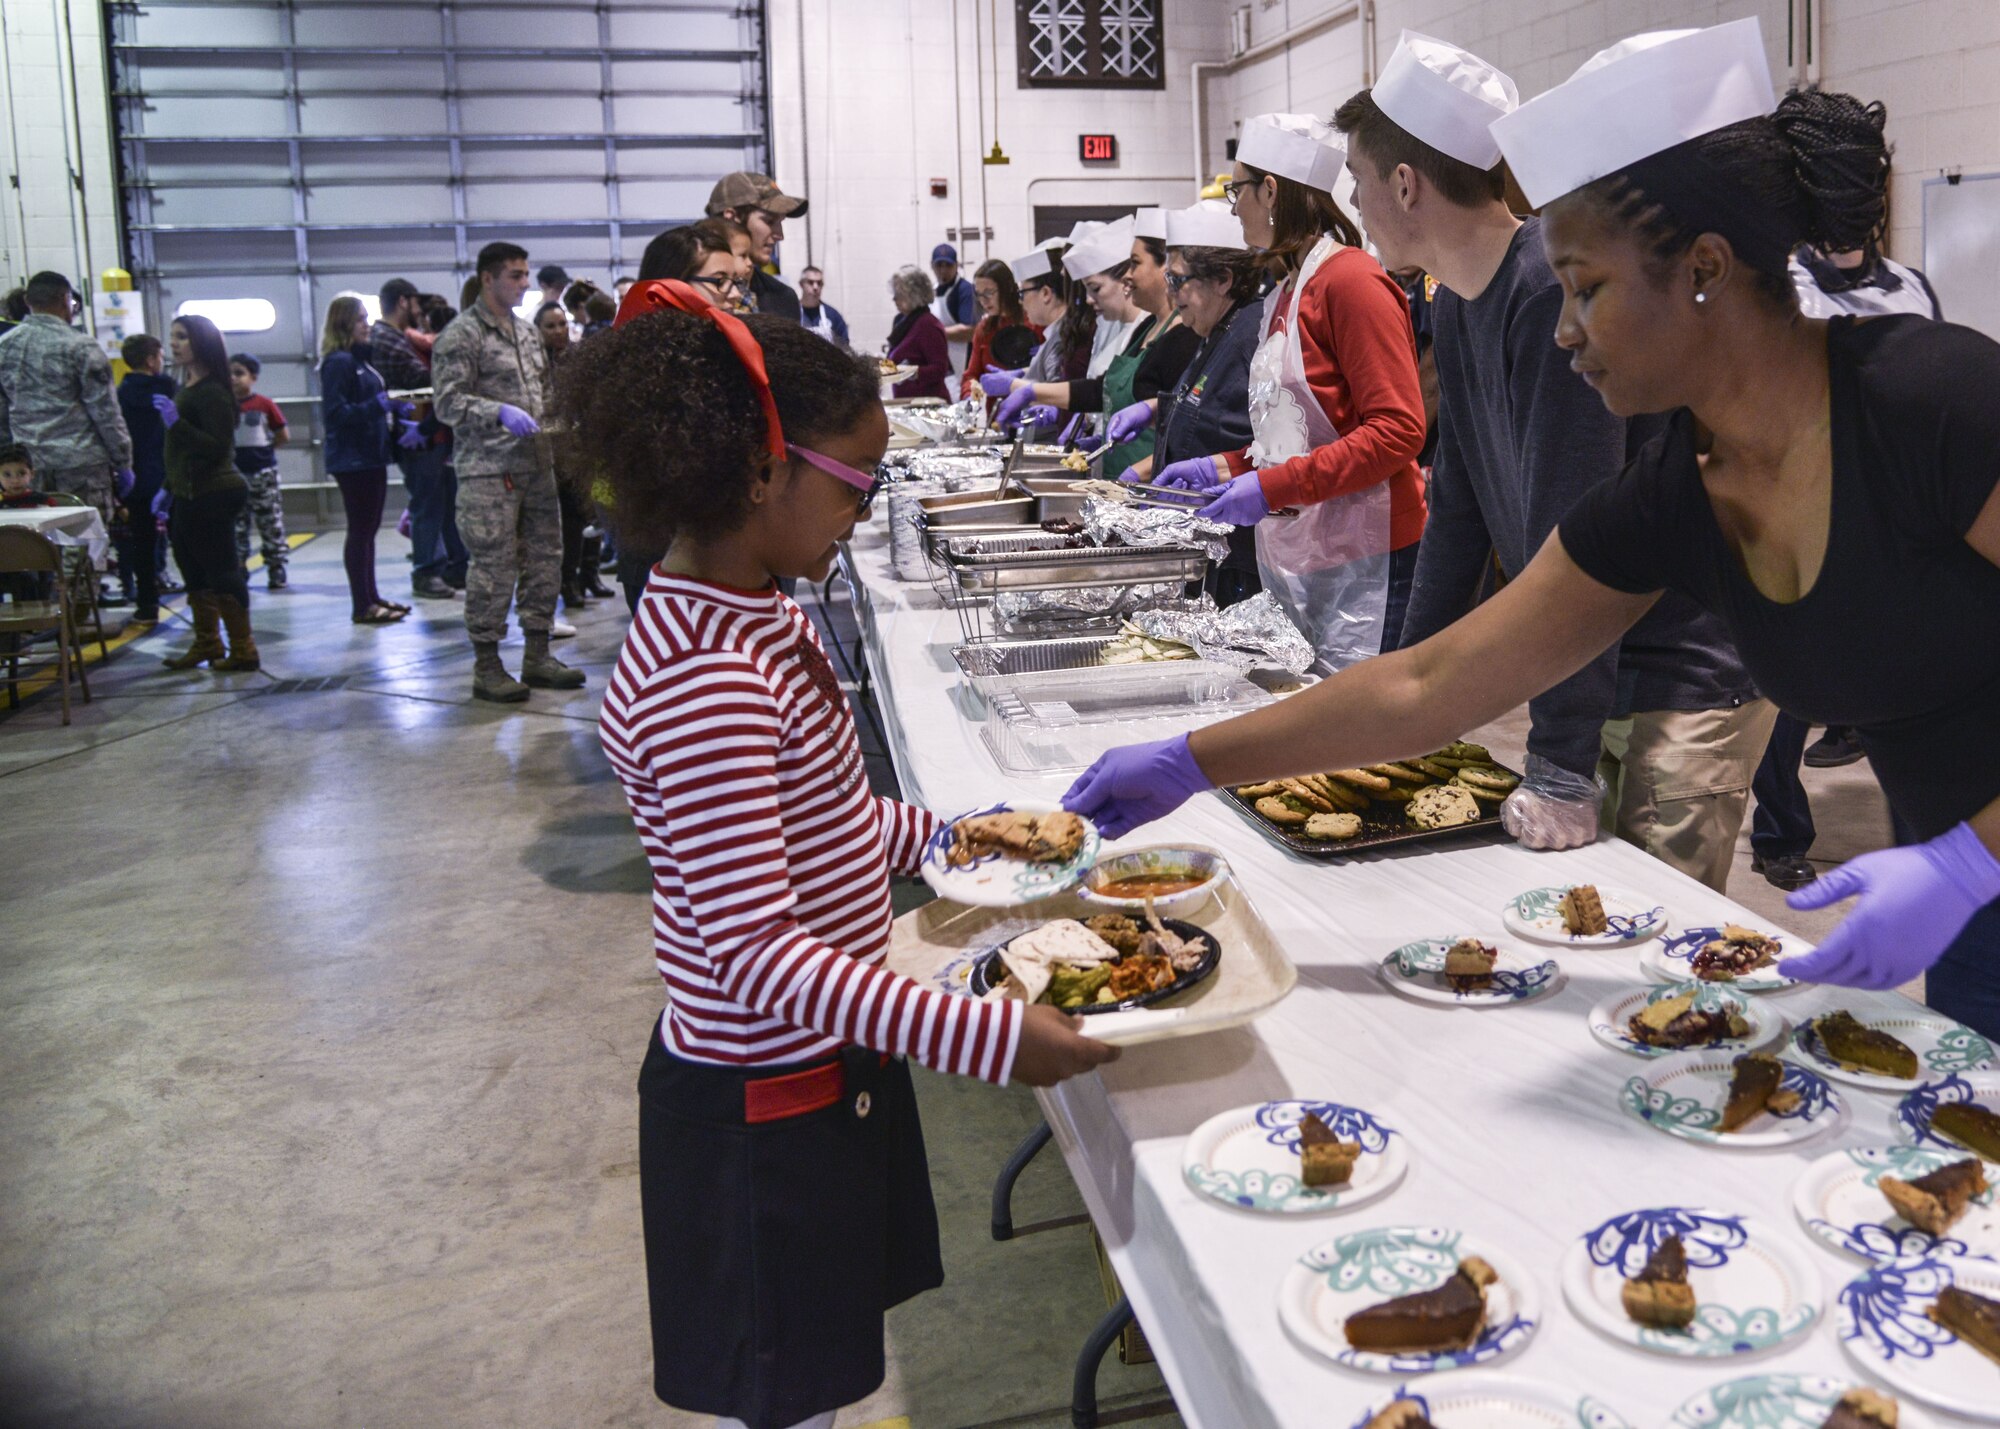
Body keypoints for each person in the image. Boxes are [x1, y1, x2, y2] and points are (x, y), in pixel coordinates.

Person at [1064, 23, 2000, 1039]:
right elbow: (1433, 683)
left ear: (1703, 268)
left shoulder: (1924, 401)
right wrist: (1190, 761)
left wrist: (1968, 858)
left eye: (1585, 289)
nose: (1560, 330)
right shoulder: (1675, 494)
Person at [553, 277, 1117, 1429]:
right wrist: (991, 1035)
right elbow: (758, 953)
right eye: (855, 486)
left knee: (820, 1378)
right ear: (758, 472)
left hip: (814, 1073)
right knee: (789, 1392)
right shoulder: (712, 679)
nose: (863, 511)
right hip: (765, 1103)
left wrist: (959, 832)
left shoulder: (739, 606)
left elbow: (817, 815)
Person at [1332, 31, 1771, 890]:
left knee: (1652, 933)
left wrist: (1560, 759)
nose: (1353, 203)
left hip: (1680, 661)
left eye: (1356, 180)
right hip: (1593, 657)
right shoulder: (1460, 300)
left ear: (1407, 182)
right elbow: (1457, 502)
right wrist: (1406, 694)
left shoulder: (1546, 291)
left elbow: (1578, 528)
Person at [1155, 114, 1429, 670]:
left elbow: (1398, 431)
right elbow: (1293, 433)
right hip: (1302, 551)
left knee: (1362, 739)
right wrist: (1225, 467)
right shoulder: (1286, 291)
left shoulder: (1350, 281)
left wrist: (1273, 487)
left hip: (1369, 555)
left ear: (1272, 190)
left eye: (1238, 190)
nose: (1234, 207)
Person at [1748, 158, 1949, 889]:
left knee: (1912, 699)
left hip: (1903, 521)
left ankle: (1920, 841)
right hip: (1806, 513)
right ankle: (1778, 833)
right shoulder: (1781, 285)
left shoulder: (1909, 284)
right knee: (1784, 698)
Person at [431, 241, 584, 701]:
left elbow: (542, 389)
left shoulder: (526, 332)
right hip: (489, 470)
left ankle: (537, 656)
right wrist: (496, 411)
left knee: (544, 560)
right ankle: (488, 665)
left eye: (525, 275)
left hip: (537, 464)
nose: (524, 283)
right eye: (515, 276)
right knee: (494, 568)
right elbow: (446, 401)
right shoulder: (462, 335)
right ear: (488, 279)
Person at [997, 216, 1201, 479]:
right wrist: (1032, 392)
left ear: (1166, 267)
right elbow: (1099, 388)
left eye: (1135, 264)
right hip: (1121, 476)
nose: (1128, 275)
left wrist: (1140, 471)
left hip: (1152, 485)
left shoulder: (1182, 334)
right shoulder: (1147, 327)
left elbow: (1188, 427)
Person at [1146, 203, 1267, 605]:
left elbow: (1267, 446)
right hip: (1211, 548)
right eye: (1168, 278)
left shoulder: (1251, 337)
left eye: (1179, 280)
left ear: (1223, 279)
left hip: (1243, 555)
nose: (1170, 292)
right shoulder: (1216, 333)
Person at [157, 313, 258, 672]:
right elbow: (182, 453)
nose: (174, 344)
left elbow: (217, 447)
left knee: (222, 572)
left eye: (182, 337)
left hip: (214, 492)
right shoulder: (186, 386)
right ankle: (208, 642)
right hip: (188, 492)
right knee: (193, 571)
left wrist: (177, 424)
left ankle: (243, 649)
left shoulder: (213, 391)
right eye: (173, 337)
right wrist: (167, 488)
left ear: (201, 342)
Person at [0, 271, 134, 523]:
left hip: (29, 468)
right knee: (84, 550)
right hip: (82, 466)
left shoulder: (4, 348)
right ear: (65, 300)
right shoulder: (82, 346)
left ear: (28, 301)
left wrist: (7, 465)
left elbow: (1, 417)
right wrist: (123, 462)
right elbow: (105, 413)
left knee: (38, 549)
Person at [318, 295, 410, 626]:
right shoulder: (339, 363)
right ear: (343, 324)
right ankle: (362, 604)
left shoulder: (358, 361)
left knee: (368, 530)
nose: (367, 325)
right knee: (360, 531)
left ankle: (372, 597)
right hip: (354, 460)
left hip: (369, 456)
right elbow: (336, 414)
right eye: (360, 319)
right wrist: (380, 405)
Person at [373, 278, 465, 602]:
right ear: (403, 302)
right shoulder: (389, 338)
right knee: (427, 506)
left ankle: (446, 566)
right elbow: (428, 379)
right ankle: (427, 570)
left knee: (437, 505)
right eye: (416, 305)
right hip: (417, 436)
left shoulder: (399, 338)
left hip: (427, 432)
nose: (419, 312)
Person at [534, 299, 594, 613]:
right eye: (550, 326)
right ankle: (568, 581)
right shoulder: (534, 364)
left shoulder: (578, 357)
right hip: (550, 455)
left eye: (562, 324)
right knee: (567, 521)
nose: (558, 331)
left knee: (593, 511)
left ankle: (590, 575)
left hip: (584, 452)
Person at [115, 333, 176, 624]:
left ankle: (147, 603)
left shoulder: (121, 392)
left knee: (142, 543)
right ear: (152, 360)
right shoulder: (166, 388)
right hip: (169, 473)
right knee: (183, 539)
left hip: (135, 476)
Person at [705, 171, 808, 321]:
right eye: (769, 221)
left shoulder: (782, 298)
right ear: (732, 218)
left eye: (780, 222)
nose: (780, 235)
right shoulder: (682, 290)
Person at [227, 353, 291, 592]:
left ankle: (276, 566)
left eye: (239, 373)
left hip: (263, 474)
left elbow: (283, 434)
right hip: (234, 475)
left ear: (252, 377)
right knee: (237, 525)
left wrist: (265, 453)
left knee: (270, 522)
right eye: (230, 373)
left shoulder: (264, 404)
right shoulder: (225, 406)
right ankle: (239, 567)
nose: (233, 378)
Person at [959, 259, 1040, 400]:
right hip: (995, 411)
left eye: (989, 292)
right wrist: (969, 395)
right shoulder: (984, 329)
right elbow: (971, 375)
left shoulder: (1035, 321)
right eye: (978, 294)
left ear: (1007, 288)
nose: (983, 300)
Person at [883, 267, 951, 402]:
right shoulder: (901, 322)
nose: (894, 298)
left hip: (927, 405)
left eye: (900, 294)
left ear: (915, 295)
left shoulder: (928, 324)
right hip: (907, 402)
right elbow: (895, 362)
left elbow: (940, 368)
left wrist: (913, 372)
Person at [929, 242, 979, 379]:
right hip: (942, 362)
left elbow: (969, 331)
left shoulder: (965, 290)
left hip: (964, 363)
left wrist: (932, 334)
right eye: (939, 265)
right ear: (932, 266)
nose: (943, 270)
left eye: (948, 265)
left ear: (956, 266)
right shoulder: (932, 291)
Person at [797, 267, 848, 346]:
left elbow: (844, 345)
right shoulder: (792, 312)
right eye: (810, 282)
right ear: (801, 284)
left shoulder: (833, 315)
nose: (815, 287)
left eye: (819, 283)